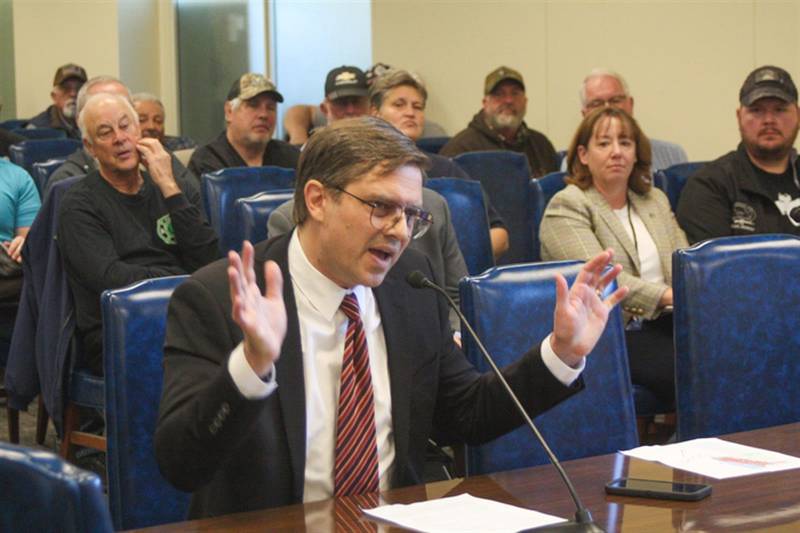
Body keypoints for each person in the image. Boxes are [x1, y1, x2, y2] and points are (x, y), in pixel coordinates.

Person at [154, 116, 628, 518]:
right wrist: (252, 366)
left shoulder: (411, 284)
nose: (400, 232)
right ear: (317, 199)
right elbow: (182, 465)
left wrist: (562, 354)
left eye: (410, 215)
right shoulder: (221, 298)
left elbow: (463, 412)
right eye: (381, 207)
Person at [58, 93, 218, 375]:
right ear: (90, 147)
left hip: (182, 315)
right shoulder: (78, 204)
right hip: (120, 329)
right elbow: (111, 279)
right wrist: (182, 279)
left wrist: (169, 186)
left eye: (125, 126)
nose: (120, 138)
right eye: (105, 133)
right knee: (200, 361)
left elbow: (208, 259)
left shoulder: (169, 185)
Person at [540, 107, 687, 404]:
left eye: (625, 142)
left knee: (738, 354)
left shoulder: (654, 200)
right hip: (610, 335)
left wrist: (688, 292)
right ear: (583, 154)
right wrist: (671, 295)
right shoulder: (567, 205)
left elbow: (685, 263)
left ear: (637, 153)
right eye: (604, 143)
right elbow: (601, 281)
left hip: (672, 324)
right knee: (691, 371)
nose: (617, 152)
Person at [368, 68, 509, 259]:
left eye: (417, 107)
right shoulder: (362, 169)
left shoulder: (445, 168)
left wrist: (452, 260)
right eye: (399, 104)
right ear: (375, 113)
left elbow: (499, 234)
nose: (410, 113)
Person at [677, 65, 800, 244]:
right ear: (739, 116)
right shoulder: (708, 185)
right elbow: (714, 267)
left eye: (780, 110)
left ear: (797, 115)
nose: (768, 120)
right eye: (756, 110)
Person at [47, 77, 196, 195]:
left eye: (124, 123)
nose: (119, 137)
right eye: (106, 130)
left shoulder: (158, 157)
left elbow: (198, 208)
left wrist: (167, 183)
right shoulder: (68, 180)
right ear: (81, 121)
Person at [283, 63, 447, 145]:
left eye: (357, 102)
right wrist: (298, 138)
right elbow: (299, 111)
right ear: (325, 109)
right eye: (341, 103)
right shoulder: (316, 149)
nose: (350, 110)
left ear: (371, 108)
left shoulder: (429, 130)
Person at [440, 66, 558, 177]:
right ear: (485, 103)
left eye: (515, 93)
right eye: (499, 94)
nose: (508, 100)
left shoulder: (541, 145)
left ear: (525, 101)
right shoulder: (461, 149)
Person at [573, 69, 687, 172]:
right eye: (597, 104)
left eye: (615, 100)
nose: (608, 109)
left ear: (630, 104)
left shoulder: (673, 155)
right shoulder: (574, 162)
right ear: (585, 115)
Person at [188, 73, 299, 177]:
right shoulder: (207, 162)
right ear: (229, 111)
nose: (264, 115)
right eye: (253, 105)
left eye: (270, 108)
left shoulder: (291, 158)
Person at [0, 159, 40, 344]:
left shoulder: (17, 177)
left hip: (7, 276)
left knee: (43, 280)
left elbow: (31, 241)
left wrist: (23, 243)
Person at [27, 63, 87, 139]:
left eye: (79, 88)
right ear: (54, 96)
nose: (73, 94)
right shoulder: (37, 129)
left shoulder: (95, 123)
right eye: (66, 88)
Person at [132, 93, 197, 152]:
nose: (151, 126)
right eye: (141, 120)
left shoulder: (184, 146)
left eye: (158, 121)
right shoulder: (124, 154)